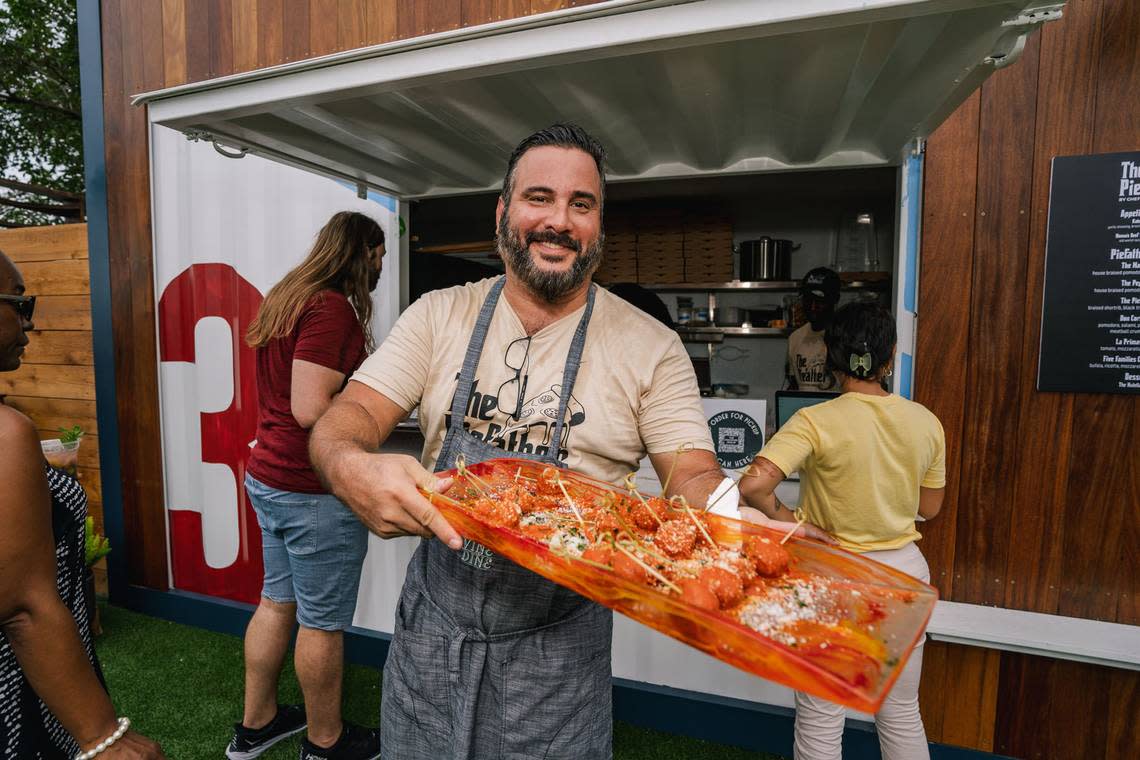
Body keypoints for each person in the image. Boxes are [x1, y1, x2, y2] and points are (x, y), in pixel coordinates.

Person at [308, 124, 820, 760]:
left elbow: (688, 469)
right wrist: (348, 463)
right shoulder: (440, 314)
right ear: (503, 212)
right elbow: (348, 413)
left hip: (558, 657)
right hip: (431, 638)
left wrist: (724, 515)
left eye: (582, 204)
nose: (559, 221)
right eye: (539, 198)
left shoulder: (649, 346)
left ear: (599, 224)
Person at [739, 301, 946, 760]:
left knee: (820, 713)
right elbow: (929, 509)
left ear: (832, 358)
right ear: (890, 357)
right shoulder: (926, 422)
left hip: (832, 571)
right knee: (900, 708)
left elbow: (754, 486)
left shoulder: (814, 420)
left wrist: (795, 524)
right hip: (904, 577)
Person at [227, 212, 386, 760]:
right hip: (310, 489)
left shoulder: (288, 297)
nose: (383, 264)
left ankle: (258, 725)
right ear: (362, 251)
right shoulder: (332, 307)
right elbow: (309, 407)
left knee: (276, 602)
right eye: (381, 253)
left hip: (269, 476)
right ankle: (326, 743)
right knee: (322, 622)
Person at [0, 250, 165, 759]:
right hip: (24, 687)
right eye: (19, 304)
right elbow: (23, 607)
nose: (31, 323)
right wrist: (102, 736)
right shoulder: (6, 435)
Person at [786, 267, 841, 391]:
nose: (812, 306)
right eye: (807, 299)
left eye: (820, 301)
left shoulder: (846, 337)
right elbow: (794, 386)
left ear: (835, 299)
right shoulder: (795, 338)